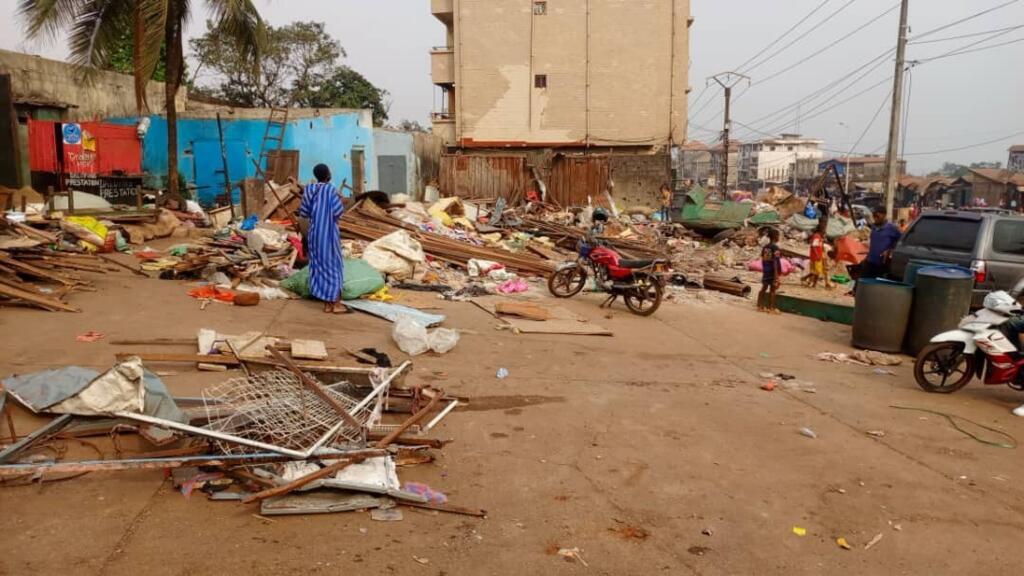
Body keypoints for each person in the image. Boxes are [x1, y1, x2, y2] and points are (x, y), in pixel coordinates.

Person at [299, 164, 347, 314]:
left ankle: (327, 304)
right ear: (327, 175)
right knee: (334, 266)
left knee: (319, 267)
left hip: (314, 234)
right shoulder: (330, 190)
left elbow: (304, 213)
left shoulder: (308, 189)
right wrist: (342, 201)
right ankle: (337, 304)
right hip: (329, 234)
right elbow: (337, 212)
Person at [861, 207, 902, 281]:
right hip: (870, 262)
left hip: (882, 264)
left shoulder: (892, 228)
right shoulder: (874, 227)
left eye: (877, 215)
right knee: (863, 283)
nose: (875, 217)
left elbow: (900, 241)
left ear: (884, 215)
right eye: (874, 215)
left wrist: (890, 250)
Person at [758, 228, 783, 314]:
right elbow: (775, 261)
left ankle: (760, 306)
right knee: (773, 290)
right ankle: (771, 308)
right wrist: (776, 274)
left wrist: (766, 268)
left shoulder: (765, 247)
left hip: (766, 270)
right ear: (775, 236)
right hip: (773, 271)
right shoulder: (775, 248)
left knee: (764, 288)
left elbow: (764, 259)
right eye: (778, 235)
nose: (779, 237)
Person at [801, 221, 832, 289]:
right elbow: (814, 246)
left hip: (817, 256)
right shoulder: (817, 236)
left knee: (815, 271)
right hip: (816, 257)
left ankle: (805, 278)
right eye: (824, 229)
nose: (825, 231)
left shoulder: (819, 237)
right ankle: (813, 284)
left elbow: (818, 246)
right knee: (817, 271)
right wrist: (817, 255)